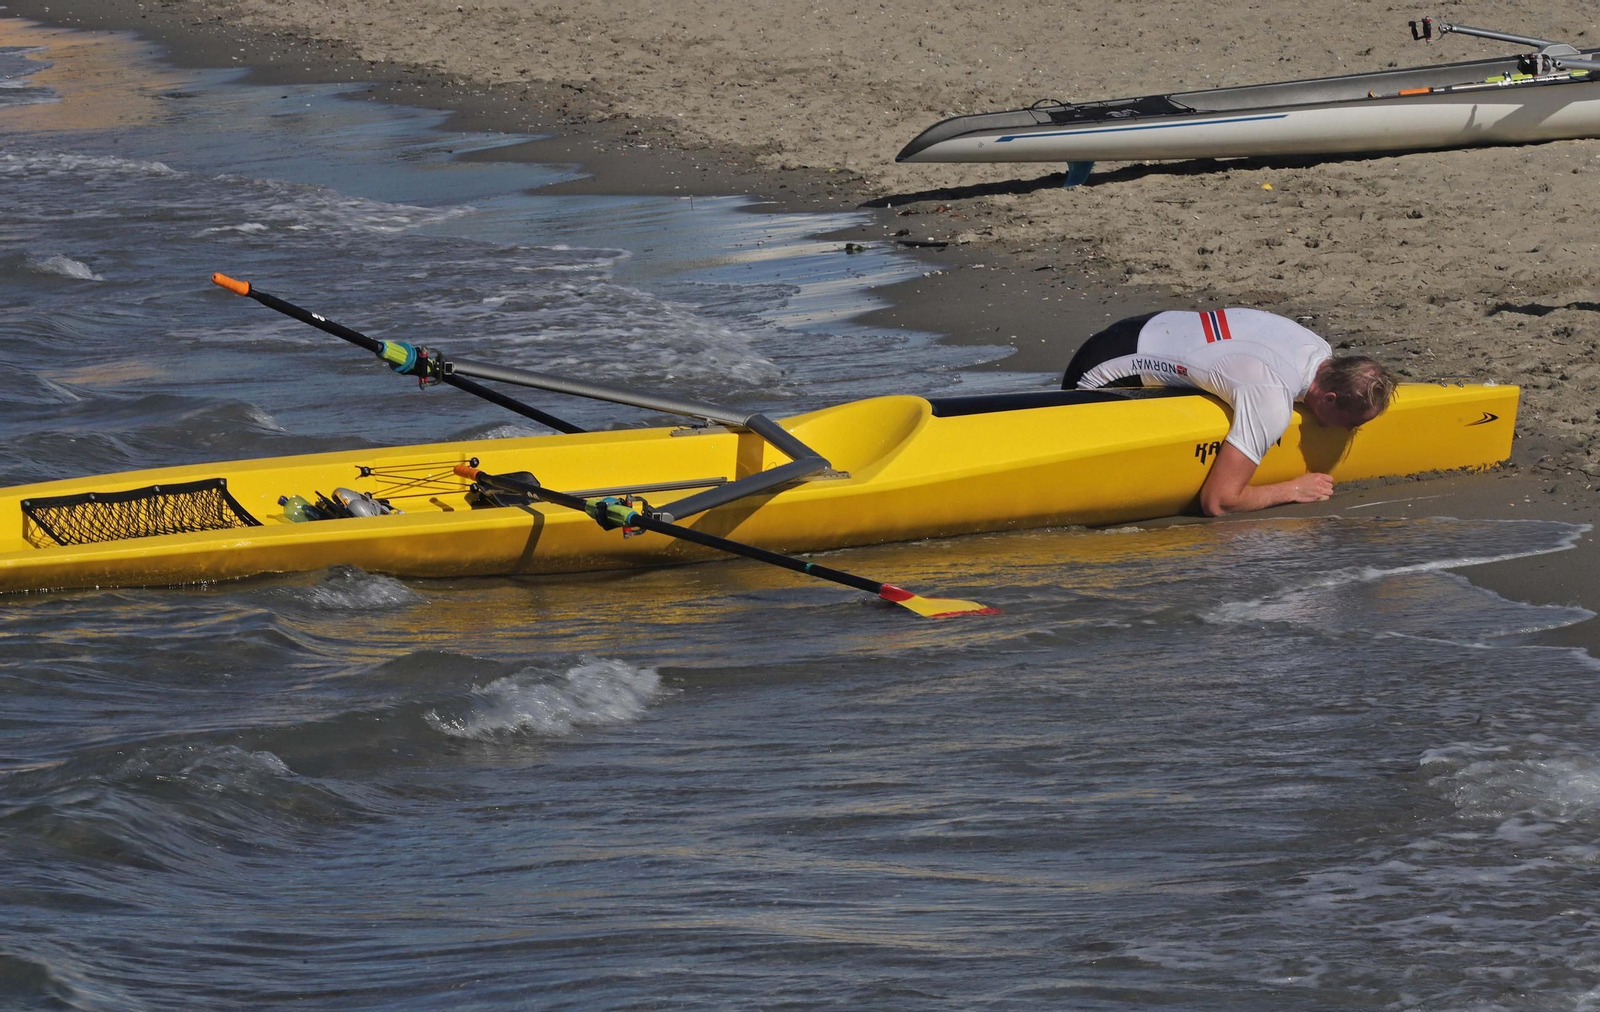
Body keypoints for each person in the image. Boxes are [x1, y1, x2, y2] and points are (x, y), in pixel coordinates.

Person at [1061, 308, 1396, 516]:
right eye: (1352, 424)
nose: (1347, 432)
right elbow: (1219, 501)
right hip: (1097, 373)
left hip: (1148, 325)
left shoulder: (1318, 348)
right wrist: (1292, 490)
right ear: (1330, 399)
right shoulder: (1270, 399)